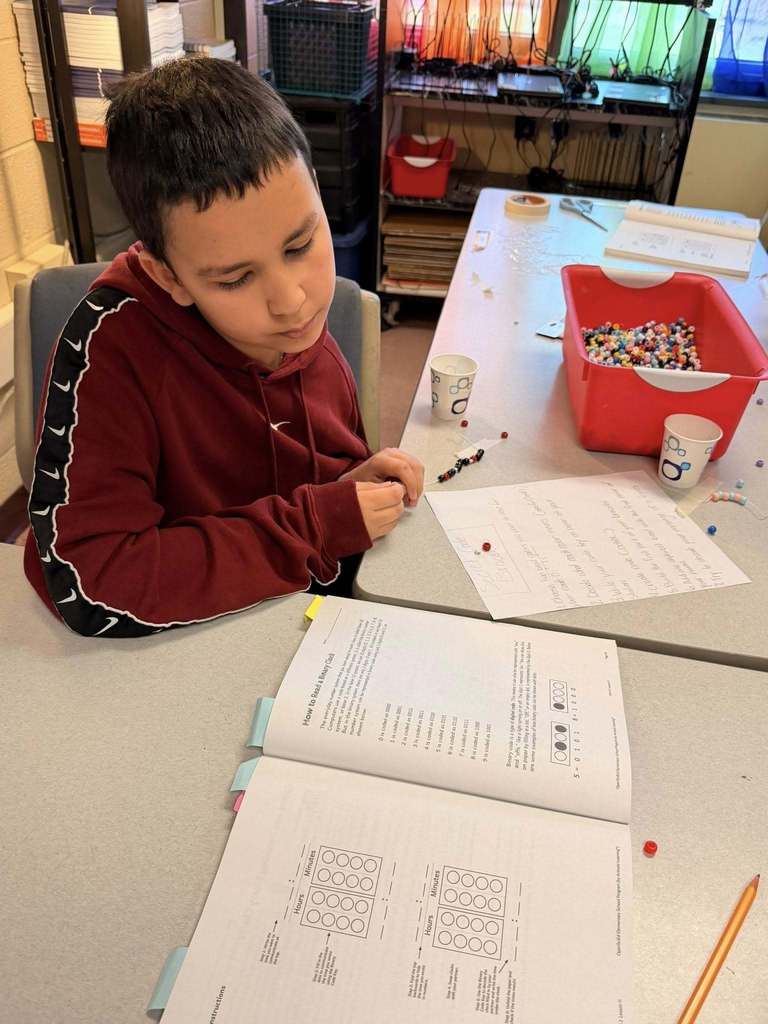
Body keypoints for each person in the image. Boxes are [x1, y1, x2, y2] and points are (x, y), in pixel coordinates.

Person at [24, 57, 424, 638]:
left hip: (299, 618)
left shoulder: (287, 317)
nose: (291, 301)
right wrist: (315, 526)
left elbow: (292, 470)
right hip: (184, 651)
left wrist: (345, 485)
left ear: (316, 191)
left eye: (300, 243)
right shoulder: (113, 348)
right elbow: (89, 578)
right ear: (169, 278)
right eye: (234, 279)